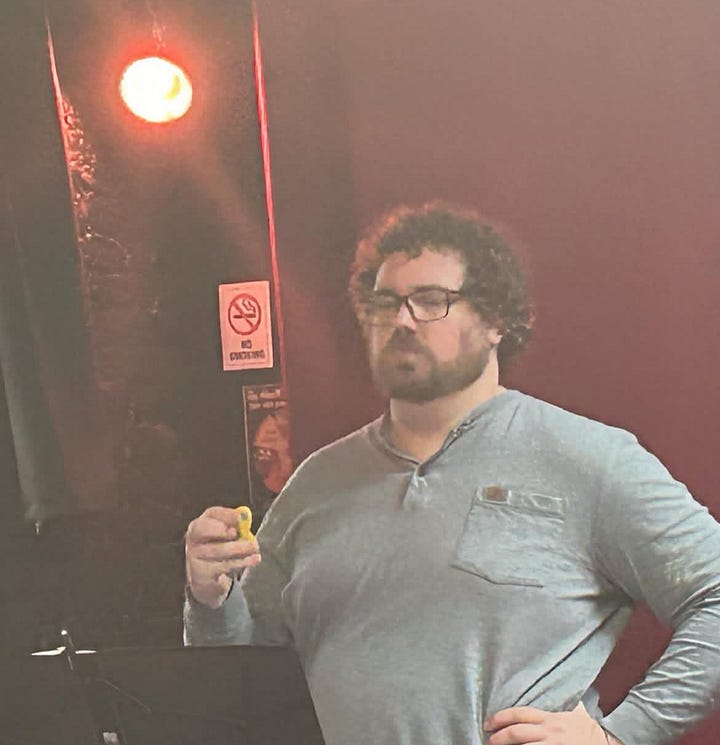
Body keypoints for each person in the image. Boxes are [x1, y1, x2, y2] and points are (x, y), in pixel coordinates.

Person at [184, 203, 720, 745]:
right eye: (385, 302)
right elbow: (246, 672)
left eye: (431, 300)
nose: (401, 320)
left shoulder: (588, 460)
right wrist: (211, 601)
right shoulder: (316, 484)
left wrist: (620, 736)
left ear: (495, 321)